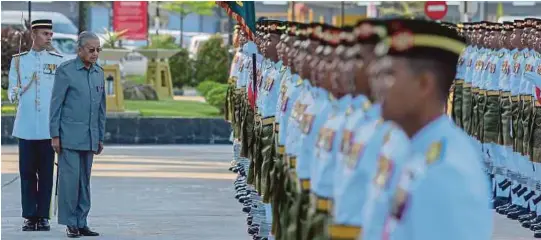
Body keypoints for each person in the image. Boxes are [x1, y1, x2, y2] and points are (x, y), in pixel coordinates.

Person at [369, 19, 492, 240]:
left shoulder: (446, 171)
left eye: (388, 75)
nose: (377, 85)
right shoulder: (407, 146)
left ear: (424, 84)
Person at [7, 19, 64, 232]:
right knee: (27, 173)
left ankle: (43, 216)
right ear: (34, 34)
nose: (49, 37)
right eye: (45, 34)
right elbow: (12, 88)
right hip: (27, 125)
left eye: (50, 34)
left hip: (48, 128)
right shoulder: (19, 61)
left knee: (47, 173)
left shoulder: (57, 60)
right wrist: (14, 92)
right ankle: (29, 216)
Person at [49, 31, 105, 238]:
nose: (95, 53)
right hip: (69, 138)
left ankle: (82, 222)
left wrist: (100, 136)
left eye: (98, 49)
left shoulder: (98, 72)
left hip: (90, 137)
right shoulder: (66, 71)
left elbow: (101, 109)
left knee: (84, 182)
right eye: (91, 49)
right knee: (69, 182)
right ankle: (70, 223)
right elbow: (56, 105)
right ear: (79, 49)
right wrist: (54, 135)